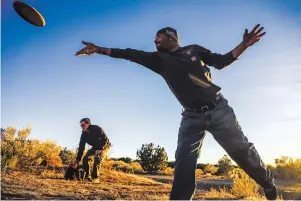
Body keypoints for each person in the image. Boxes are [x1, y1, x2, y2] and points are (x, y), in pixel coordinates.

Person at [75, 24, 277, 200]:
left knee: (241, 150)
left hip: (218, 109)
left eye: (158, 37)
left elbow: (222, 61)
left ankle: (267, 182)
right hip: (191, 117)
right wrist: (99, 49)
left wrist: (244, 45)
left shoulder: (194, 50)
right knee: (183, 160)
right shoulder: (159, 60)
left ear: (171, 36)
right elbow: (130, 54)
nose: (155, 41)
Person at [72, 118, 111, 182]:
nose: (82, 127)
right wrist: (77, 160)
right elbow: (81, 147)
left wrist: (100, 149)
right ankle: (87, 177)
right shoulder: (83, 135)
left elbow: (105, 140)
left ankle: (95, 178)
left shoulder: (97, 129)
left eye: (83, 125)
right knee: (85, 158)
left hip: (105, 145)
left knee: (97, 157)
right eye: (81, 125)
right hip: (95, 147)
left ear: (89, 124)